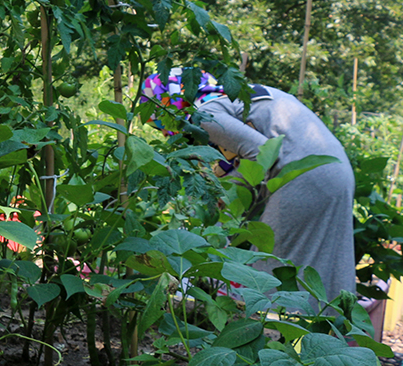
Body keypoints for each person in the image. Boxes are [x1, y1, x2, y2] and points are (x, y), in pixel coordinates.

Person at [139, 68, 357, 299]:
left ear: (167, 107)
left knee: (271, 271)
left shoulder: (204, 114)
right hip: (332, 170)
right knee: (318, 265)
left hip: (304, 176)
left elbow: (265, 154)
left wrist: (226, 195)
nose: (165, 134)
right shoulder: (232, 98)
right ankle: (329, 328)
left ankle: (276, 331)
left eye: (159, 124)